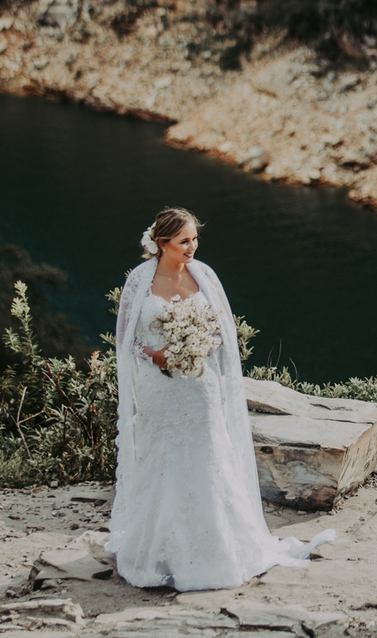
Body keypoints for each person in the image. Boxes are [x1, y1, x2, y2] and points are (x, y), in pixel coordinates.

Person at [107, 207, 332, 591]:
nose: (192, 246)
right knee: (161, 460)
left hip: (200, 388)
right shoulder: (140, 281)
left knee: (206, 458)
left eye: (195, 238)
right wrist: (157, 355)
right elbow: (126, 338)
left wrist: (197, 348)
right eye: (184, 241)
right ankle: (159, 551)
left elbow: (221, 330)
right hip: (159, 391)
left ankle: (216, 551)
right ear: (162, 244)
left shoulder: (204, 276)